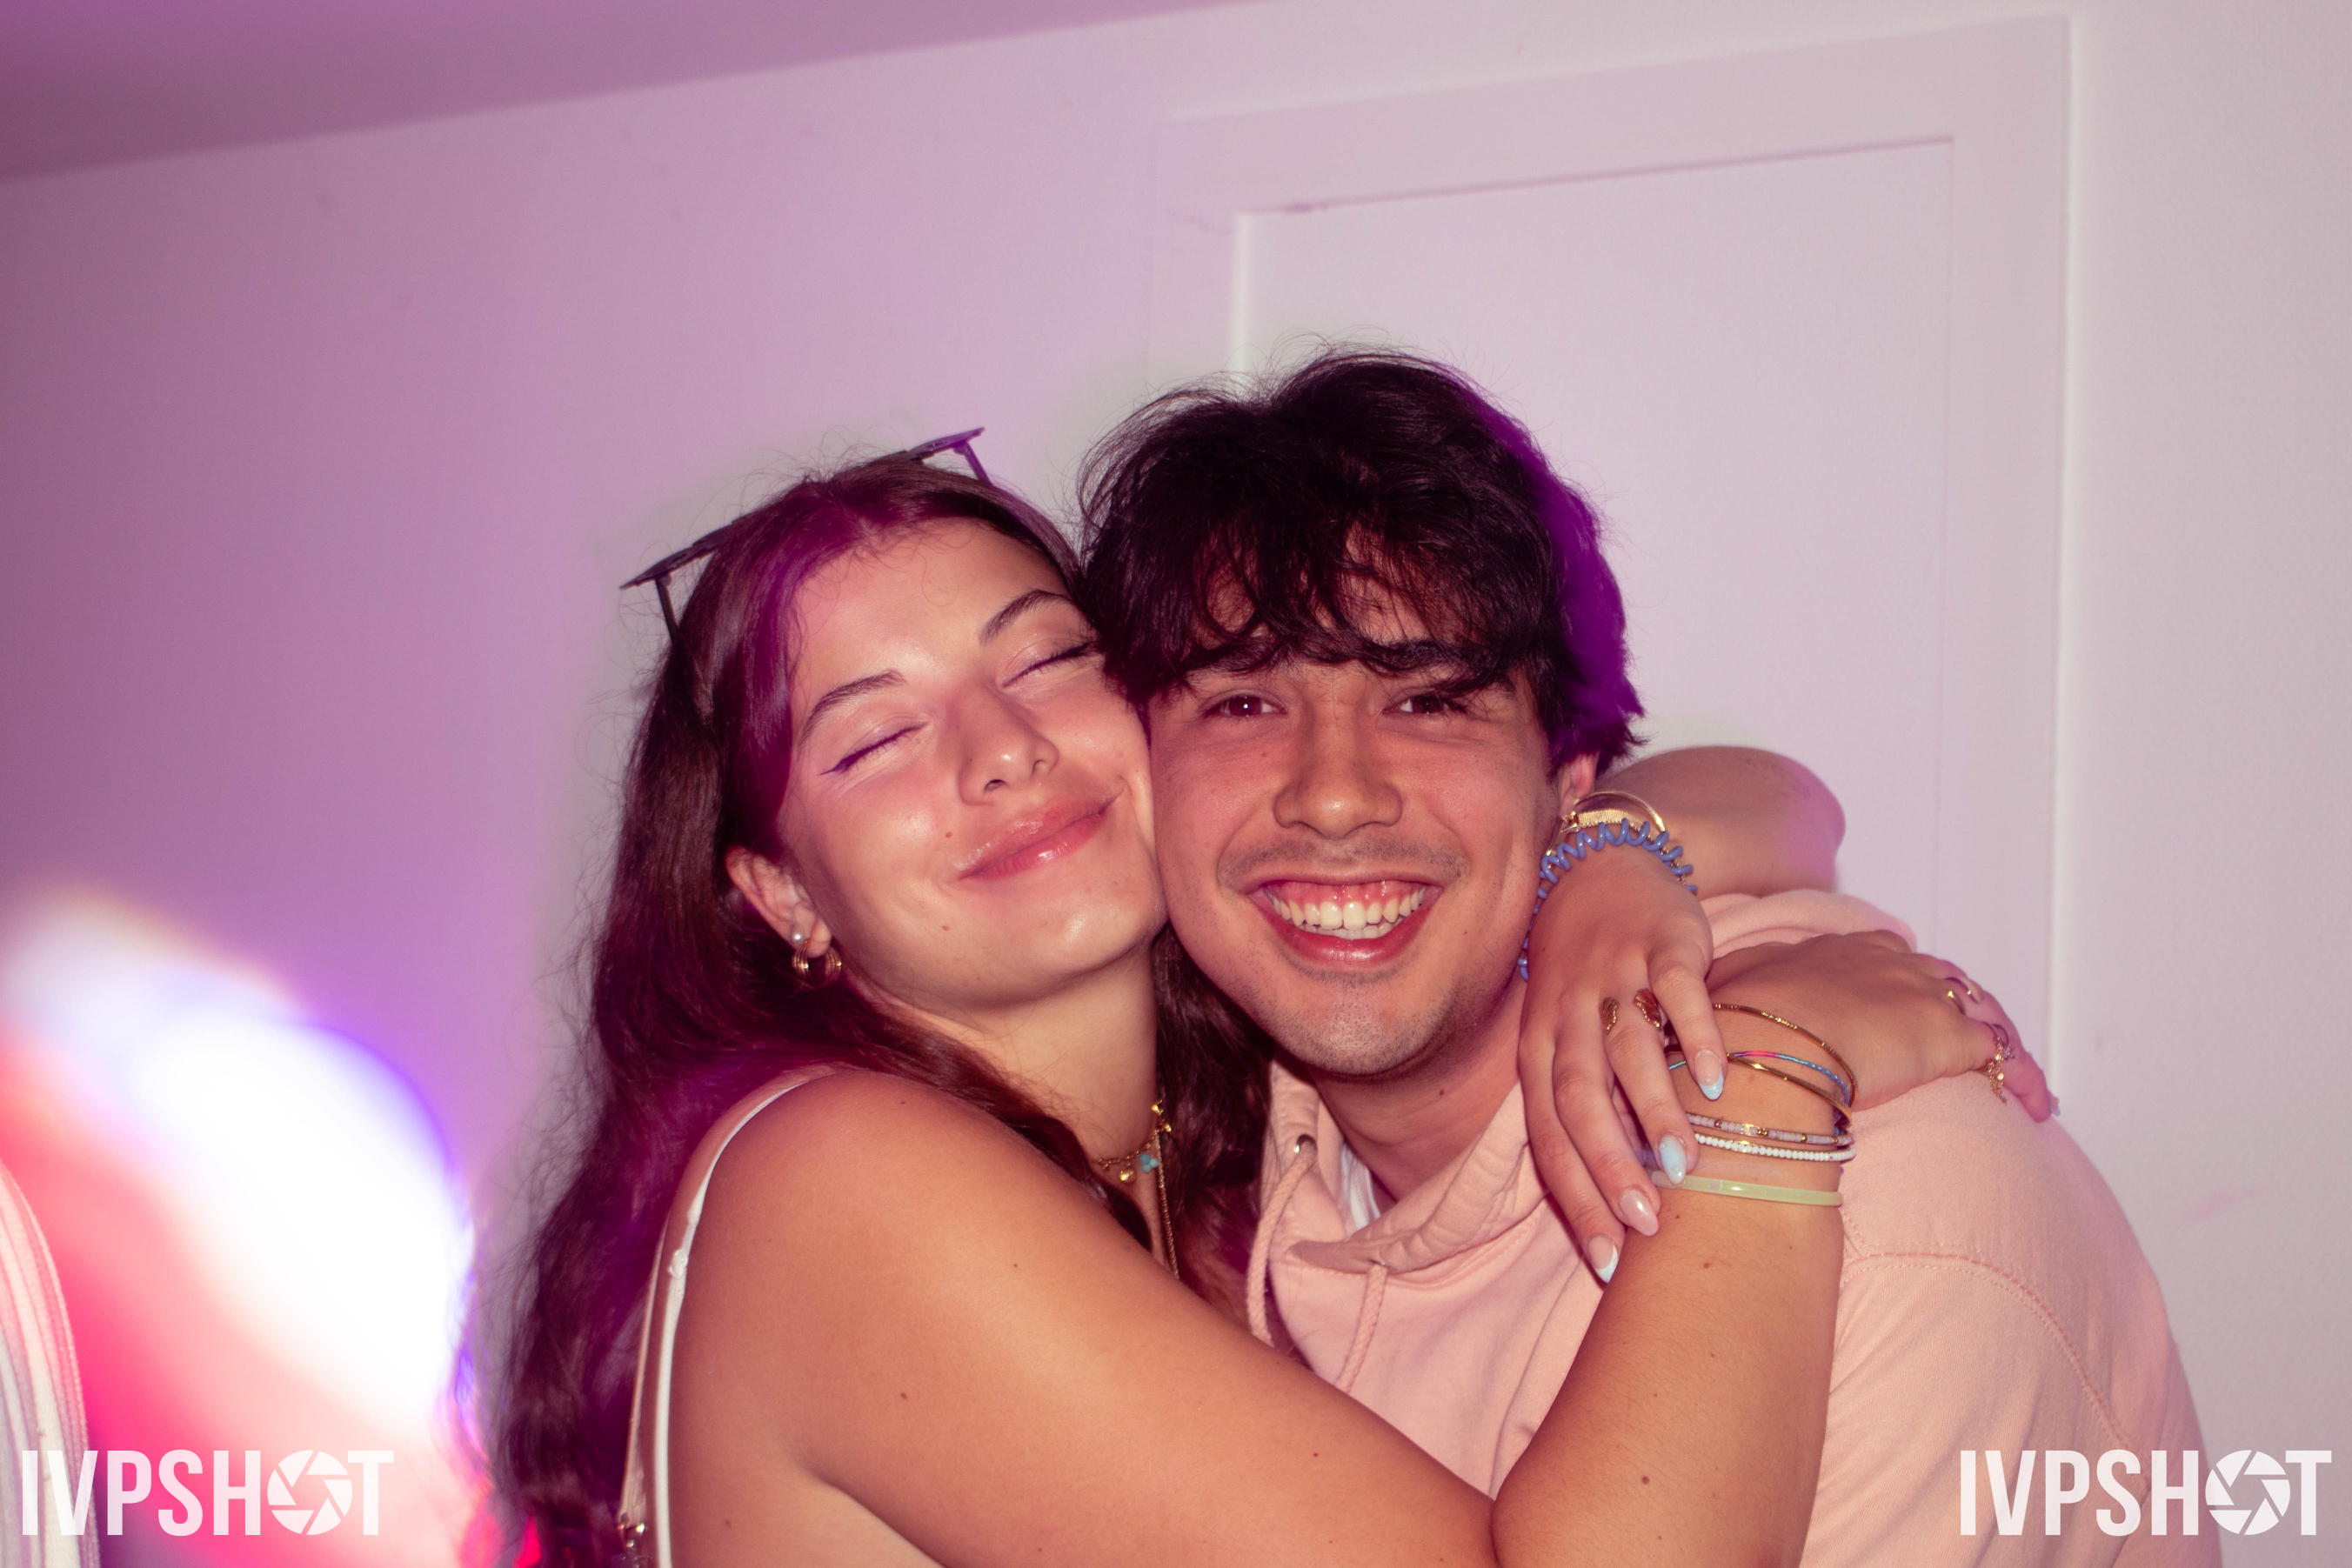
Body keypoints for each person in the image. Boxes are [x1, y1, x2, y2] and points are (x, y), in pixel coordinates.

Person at [487, 439, 2010, 1566]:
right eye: (876, 740)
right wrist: (1767, 1075)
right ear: (782, 896)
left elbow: (1770, 792)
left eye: (1049, 663)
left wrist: (1611, 853)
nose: (1003, 753)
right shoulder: (848, 1181)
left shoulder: (1235, 1143)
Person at [1078, 347, 2213, 1565]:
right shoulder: (1212, 1144)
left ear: (1568, 783)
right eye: (1243, 703)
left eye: (1429, 699)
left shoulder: (1876, 1217)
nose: (1336, 796)